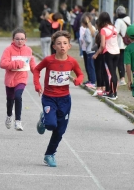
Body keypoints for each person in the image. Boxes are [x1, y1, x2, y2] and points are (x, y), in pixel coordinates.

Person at [34, 31, 84, 167]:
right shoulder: (48, 60)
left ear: (69, 46)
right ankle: (44, 118)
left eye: (65, 43)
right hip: (49, 98)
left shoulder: (72, 62)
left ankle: (49, 154)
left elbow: (80, 74)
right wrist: (37, 85)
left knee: (60, 130)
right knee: (51, 125)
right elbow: (36, 70)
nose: (62, 46)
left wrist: (78, 81)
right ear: (54, 46)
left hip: (65, 100)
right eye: (59, 43)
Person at [0, 28, 36, 131]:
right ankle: (9, 116)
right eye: (17, 39)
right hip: (10, 79)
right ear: (13, 39)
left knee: (18, 96)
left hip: (22, 78)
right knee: (10, 101)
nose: (20, 41)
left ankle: (18, 121)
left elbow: (31, 63)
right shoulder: (8, 50)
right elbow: (2, 63)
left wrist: (36, 72)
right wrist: (15, 64)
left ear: (25, 40)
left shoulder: (28, 50)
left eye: (22, 39)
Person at [92, 12, 120, 100]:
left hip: (108, 53)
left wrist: (96, 54)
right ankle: (113, 92)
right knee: (113, 73)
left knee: (110, 74)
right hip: (117, 52)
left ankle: (112, 93)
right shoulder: (114, 28)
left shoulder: (103, 30)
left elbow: (102, 45)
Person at [115, 5, 131, 86]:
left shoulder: (118, 21)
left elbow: (116, 32)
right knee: (124, 61)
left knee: (119, 62)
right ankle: (123, 78)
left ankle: (122, 78)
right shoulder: (128, 19)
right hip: (127, 43)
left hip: (120, 43)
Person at [80, 13, 96, 87]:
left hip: (89, 50)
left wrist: (84, 38)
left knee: (90, 66)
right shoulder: (93, 28)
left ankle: (92, 81)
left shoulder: (87, 30)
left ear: (83, 23)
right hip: (94, 49)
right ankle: (92, 80)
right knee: (92, 66)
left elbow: (89, 40)